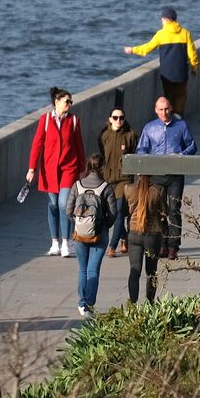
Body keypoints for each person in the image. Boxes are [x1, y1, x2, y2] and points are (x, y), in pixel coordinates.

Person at [134, 96, 197, 259]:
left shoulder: (181, 125)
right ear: (155, 110)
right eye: (161, 110)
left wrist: (182, 155)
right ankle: (161, 243)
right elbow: (141, 149)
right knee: (158, 210)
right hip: (156, 175)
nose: (164, 112)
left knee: (174, 210)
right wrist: (145, 165)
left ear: (171, 108)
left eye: (166, 109)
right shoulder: (149, 128)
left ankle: (173, 246)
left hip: (175, 175)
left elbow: (192, 145)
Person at [26, 87, 85, 258]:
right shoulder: (45, 120)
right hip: (49, 169)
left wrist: (82, 170)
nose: (69, 105)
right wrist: (32, 169)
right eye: (67, 101)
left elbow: (79, 146)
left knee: (63, 204)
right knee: (52, 205)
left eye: (70, 102)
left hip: (69, 168)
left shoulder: (73, 121)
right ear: (57, 102)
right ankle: (55, 243)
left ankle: (66, 243)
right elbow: (37, 145)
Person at [65, 153, 117, 318]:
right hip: (99, 235)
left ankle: (82, 303)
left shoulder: (77, 185)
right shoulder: (106, 187)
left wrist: (78, 224)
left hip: (79, 235)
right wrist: (103, 227)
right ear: (102, 167)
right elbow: (113, 213)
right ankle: (89, 304)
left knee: (82, 270)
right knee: (93, 270)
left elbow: (68, 210)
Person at [123, 7, 199, 117]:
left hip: (166, 73)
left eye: (162, 19)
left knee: (169, 96)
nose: (161, 21)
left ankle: (169, 117)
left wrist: (132, 50)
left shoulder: (161, 34)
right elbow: (192, 54)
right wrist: (194, 67)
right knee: (181, 95)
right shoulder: (185, 33)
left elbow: (146, 48)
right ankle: (178, 117)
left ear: (166, 19)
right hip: (181, 72)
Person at [97, 106, 137, 258]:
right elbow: (102, 151)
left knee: (119, 211)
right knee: (111, 212)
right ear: (110, 119)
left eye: (121, 118)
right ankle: (124, 237)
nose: (118, 121)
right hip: (108, 179)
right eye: (115, 118)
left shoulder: (130, 134)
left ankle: (112, 246)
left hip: (124, 179)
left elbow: (133, 153)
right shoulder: (104, 135)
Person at [124, 175, 166, 304]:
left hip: (134, 232)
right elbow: (165, 211)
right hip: (152, 235)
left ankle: (132, 304)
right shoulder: (158, 190)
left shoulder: (128, 189)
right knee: (151, 272)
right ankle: (150, 303)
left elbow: (125, 212)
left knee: (134, 270)